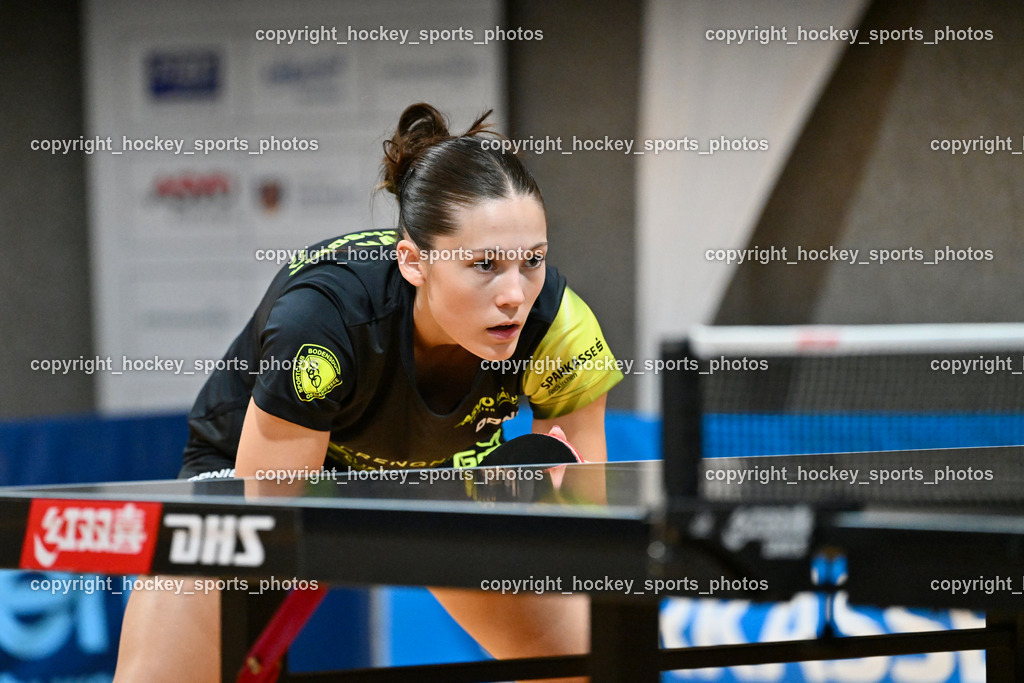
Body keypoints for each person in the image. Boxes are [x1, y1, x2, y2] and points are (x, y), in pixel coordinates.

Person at [114, 102, 623, 683]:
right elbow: (272, 523)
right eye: (484, 264)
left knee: (592, 663)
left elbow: (590, 533)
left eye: (532, 261)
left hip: (439, 481)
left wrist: (552, 516)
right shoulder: (324, 322)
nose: (515, 293)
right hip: (254, 482)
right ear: (413, 262)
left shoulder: (559, 327)